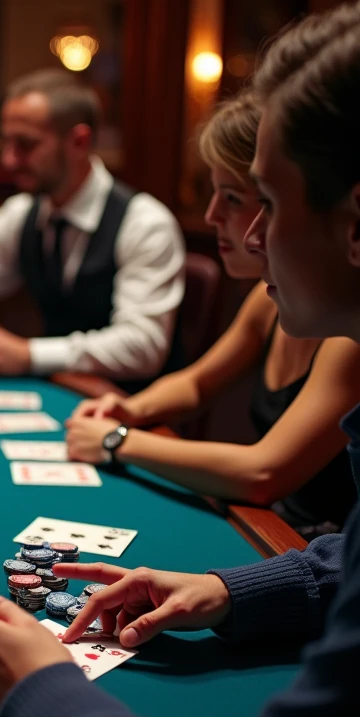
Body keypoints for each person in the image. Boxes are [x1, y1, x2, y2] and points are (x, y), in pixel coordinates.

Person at [0, 5, 360, 717]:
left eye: (260, 197)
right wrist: (236, 588)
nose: (243, 230)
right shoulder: (24, 215)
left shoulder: (145, 225)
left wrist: (35, 690)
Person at [64, 92, 360, 536]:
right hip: (274, 531)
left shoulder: (344, 326)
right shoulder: (269, 297)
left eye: (233, 198)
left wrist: (117, 442)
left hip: (311, 552)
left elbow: (264, 473)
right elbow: (198, 381)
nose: (211, 215)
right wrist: (127, 409)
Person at [0, 69, 186, 383]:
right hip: (62, 389)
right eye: (6, 142)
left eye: (25, 145)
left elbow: (143, 345)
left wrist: (29, 355)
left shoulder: (146, 224)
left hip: (131, 409)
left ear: (79, 142)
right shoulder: (20, 213)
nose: (8, 160)